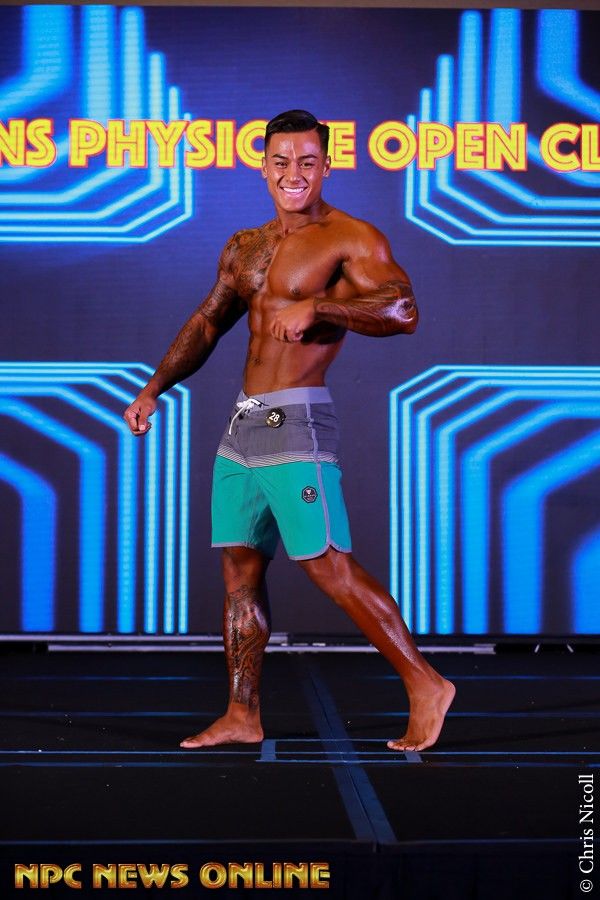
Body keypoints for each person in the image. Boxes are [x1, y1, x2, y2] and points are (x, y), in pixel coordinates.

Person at [124, 109, 455, 752]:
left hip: (296, 419)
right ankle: (242, 713)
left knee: (325, 563)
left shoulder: (350, 238)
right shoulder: (245, 246)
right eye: (281, 161)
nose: (293, 173)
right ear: (264, 167)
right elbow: (208, 322)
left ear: (326, 166)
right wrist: (154, 387)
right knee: (239, 566)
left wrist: (321, 305)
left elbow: (403, 308)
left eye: (307, 161)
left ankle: (426, 683)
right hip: (244, 421)